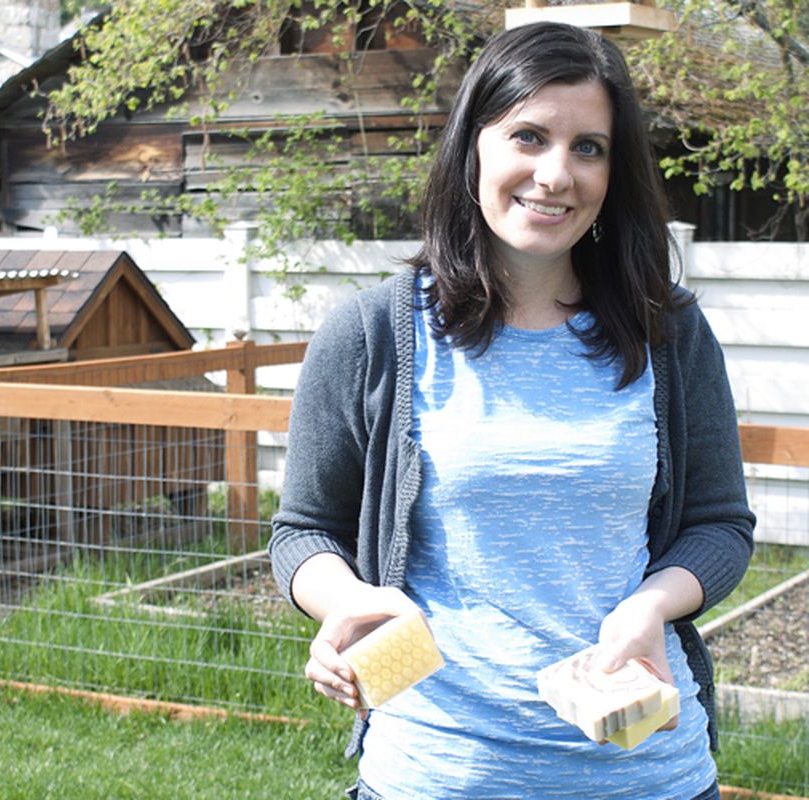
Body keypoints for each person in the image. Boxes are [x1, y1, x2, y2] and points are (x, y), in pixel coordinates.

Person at [268, 21, 755, 800]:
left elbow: (720, 525)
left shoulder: (669, 332)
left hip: (647, 774)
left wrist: (650, 606)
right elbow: (304, 532)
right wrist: (350, 601)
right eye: (528, 136)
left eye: (588, 147)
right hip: (436, 775)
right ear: (474, 147)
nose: (555, 174)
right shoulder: (371, 333)